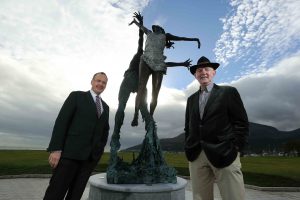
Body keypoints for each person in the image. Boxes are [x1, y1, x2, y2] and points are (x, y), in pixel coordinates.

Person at [184, 56, 249, 200]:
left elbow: (241, 122)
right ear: (195, 75)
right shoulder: (191, 100)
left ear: (214, 73)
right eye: (199, 70)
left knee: (234, 196)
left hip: (225, 152)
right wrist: (188, 144)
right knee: (200, 197)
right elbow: (188, 127)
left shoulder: (228, 92)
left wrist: (236, 147)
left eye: (207, 69)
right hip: (196, 155)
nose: (203, 72)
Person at [43, 72, 110, 200]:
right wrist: (56, 149)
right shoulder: (77, 96)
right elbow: (62, 122)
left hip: (89, 160)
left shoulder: (105, 107)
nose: (100, 84)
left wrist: (98, 151)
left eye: (104, 82)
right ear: (92, 81)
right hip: (69, 155)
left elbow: (104, 131)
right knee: (55, 193)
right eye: (98, 80)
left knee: (75, 195)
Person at [129, 15, 200, 126]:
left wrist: (194, 39)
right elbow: (141, 28)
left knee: (155, 92)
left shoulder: (165, 36)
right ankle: (135, 115)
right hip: (146, 59)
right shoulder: (149, 32)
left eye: (157, 27)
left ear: (161, 30)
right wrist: (136, 22)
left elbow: (181, 38)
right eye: (154, 27)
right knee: (141, 86)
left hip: (159, 63)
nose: (154, 27)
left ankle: (150, 117)